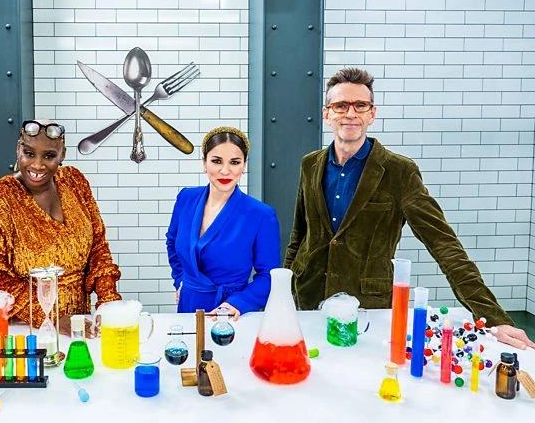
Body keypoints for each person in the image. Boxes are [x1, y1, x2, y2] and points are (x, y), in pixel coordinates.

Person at [285, 67, 535, 350]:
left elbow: (444, 244)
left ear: (372, 113)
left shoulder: (399, 172)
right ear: (327, 113)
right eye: (341, 105)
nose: (350, 113)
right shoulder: (311, 164)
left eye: (360, 105)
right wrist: (282, 293)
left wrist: (493, 317)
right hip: (308, 296)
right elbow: (299, 235)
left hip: (367, 305)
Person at [0, 119, 121, 336]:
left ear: (62, 154)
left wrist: (108, 300)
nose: (37, 165)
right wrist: (52, 317)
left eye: (49, 156)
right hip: (12, 328)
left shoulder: (74, 182)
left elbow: (98, 247)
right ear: (18, 149)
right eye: (29, 153)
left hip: (75, 324)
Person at [166, 126, 281, 320]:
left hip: (230, 312)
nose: (225, 171)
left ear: (244, 165)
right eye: (216, 161)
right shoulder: (186, 198)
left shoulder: (261, 215)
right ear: (204, 163)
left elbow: (268, 276)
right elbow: (172, 242)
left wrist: (238, 303)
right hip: (188, 305)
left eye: (234, 162)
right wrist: (180, 280)